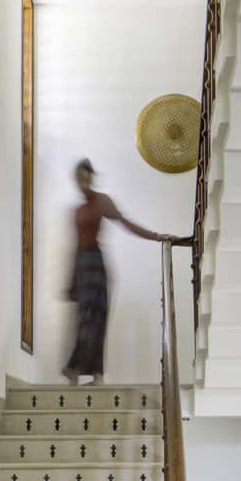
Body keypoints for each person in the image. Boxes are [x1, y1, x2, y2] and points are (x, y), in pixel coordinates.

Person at [63, 158, 172, 385]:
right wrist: (70, 283)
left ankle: (94, 375)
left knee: (98, 320)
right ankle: (77, 369)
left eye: (86, 178)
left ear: (91, 177)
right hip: (83, 267)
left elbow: (126, 223)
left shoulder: (102, 201)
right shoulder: (77, 211)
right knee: (84, 320)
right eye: (79, 179)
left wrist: (155, 236)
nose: (83, 183)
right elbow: (74, 245)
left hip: (96, 263)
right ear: (76, 181)